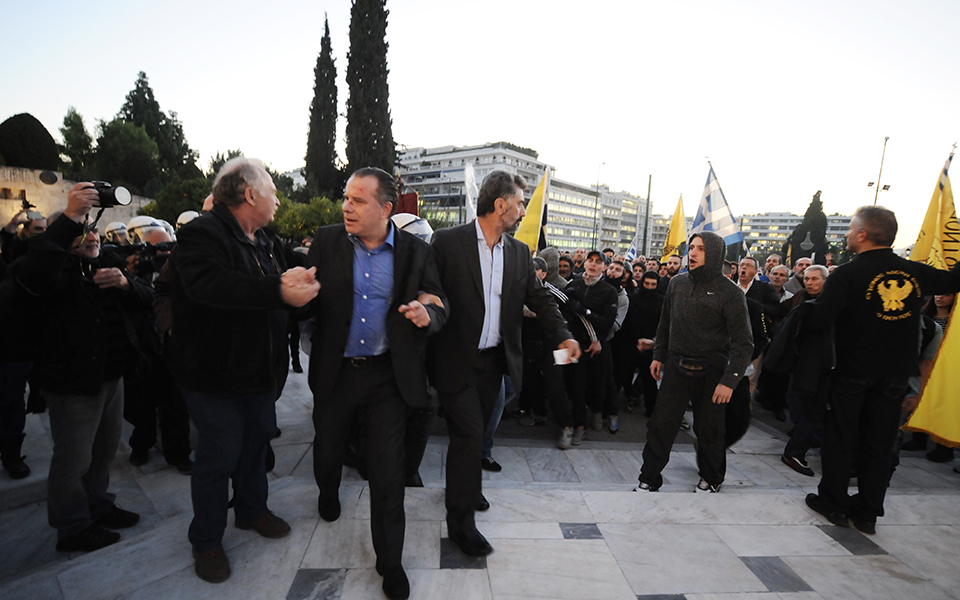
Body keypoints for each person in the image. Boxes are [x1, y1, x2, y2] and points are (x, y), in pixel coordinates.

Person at [167, 157, 320, 583]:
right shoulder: (201, 234)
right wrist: (278, 290)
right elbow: (212, 286)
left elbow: (297, 266)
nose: (278, 198)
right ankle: (207, 541)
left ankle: (252, 511)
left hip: (257, 374)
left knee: (255, 446)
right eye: (273, 189)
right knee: (219, 456)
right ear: (250, 194)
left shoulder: (266, 239)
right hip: (212, 376)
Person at [304, 167, 446, 600]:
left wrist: (429, 316)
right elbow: (302, 297)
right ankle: (328, 491)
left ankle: (390, 563)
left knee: (388, 474)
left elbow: (439, 303)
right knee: (328, 448)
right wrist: (292, 294)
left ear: (385, 208)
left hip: (388, 377)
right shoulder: (326, 242)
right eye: (346, 198)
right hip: (337, 372)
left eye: (358, 200)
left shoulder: (416, 252)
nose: (347, 206)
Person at [429, 170, 579, 557]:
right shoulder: (447, 243)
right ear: (500, 205)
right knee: (467, 437)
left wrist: (563, 334)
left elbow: (542, 299)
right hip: (456, 361)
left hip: (495, 364)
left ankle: (467, 487)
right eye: (520, 203)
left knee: (476, 438)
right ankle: (461, 526)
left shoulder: (518, 253)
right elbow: (430, 292)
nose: (524, 211)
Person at [12, 184, 153, 552]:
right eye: (81, 229)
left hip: (112, 377)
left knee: (105, 452)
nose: (91, 235)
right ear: (64, 239)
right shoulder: (51, 270)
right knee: (73, 459)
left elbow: (148, 298)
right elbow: (33, 275)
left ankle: (97, 505)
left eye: (92, 227)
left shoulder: (107, 260)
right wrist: (71, 216)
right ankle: (73, 527)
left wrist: (125, 284)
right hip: (73, 383)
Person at [803, 206, 960, 534]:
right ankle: (868, 512)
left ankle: (833, 502)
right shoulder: (914, 273)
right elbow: (953, 279)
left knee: (841, 438)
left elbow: (819, 319)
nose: (847, 235)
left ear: (863, 235)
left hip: (852, 371)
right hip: (896, 375)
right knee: (879, 442)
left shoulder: (846, 275)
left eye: (850, 229)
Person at [634, 232, 753, 493]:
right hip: (676, 365)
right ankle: (649, 478)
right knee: (660, 424)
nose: (694, 253)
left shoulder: (731, 293)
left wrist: (729, 381)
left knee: (709, 429)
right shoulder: (677, 284)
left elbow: (744, 343)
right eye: (692, 247)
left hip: (712, 370)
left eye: (701, 248)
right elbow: (665, 323)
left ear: (714, 253)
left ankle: (711, 478)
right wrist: (658, 355)